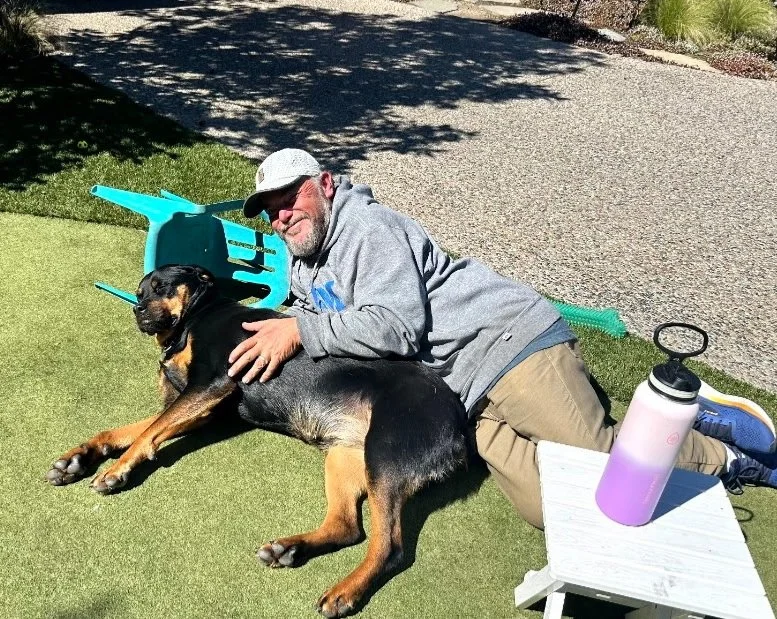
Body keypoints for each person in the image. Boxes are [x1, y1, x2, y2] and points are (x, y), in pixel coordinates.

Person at [227, 148, 777, 528]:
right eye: (271, 210)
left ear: (325, 184)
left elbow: (395, 326)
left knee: (598, 460)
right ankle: (657, 424)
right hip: (465, 395)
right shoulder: (304, 262)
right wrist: (278, 324)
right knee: (549, 508)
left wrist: (300, 328)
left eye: (291, 196)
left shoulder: (367, 228)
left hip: (508, 344)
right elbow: (315, 316)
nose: (282, 216)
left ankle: (721, 447)